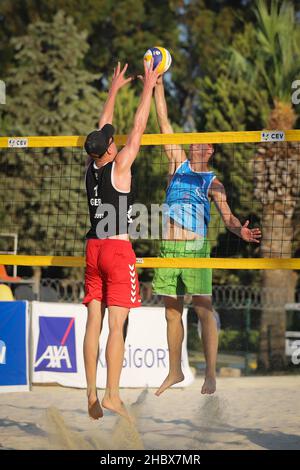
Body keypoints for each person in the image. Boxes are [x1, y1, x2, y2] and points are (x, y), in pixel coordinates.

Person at [153, 75, 261, 396]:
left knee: (203, 308)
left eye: (199, 141)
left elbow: (227, 218)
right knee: (172, 312)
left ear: (209, 149)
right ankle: (175, 371)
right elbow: (164, 123)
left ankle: (211, 374)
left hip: (195, 249)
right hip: (168, 249)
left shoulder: (213, 182)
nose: (192, 142)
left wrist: (239, 229)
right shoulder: (177, 163)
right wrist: (158, 84)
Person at [83, 61, 159, 420]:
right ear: (111, 151)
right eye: (113, 141)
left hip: (92, 248)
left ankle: (91, 395)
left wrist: (113, 90)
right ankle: (112, 395)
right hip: (116, 249)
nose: (114, 140)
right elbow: (139, 128)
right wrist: (148, 88)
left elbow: (102, 128)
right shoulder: (121, 165)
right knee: (116, 326)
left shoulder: (92, 166)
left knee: (93, 322)